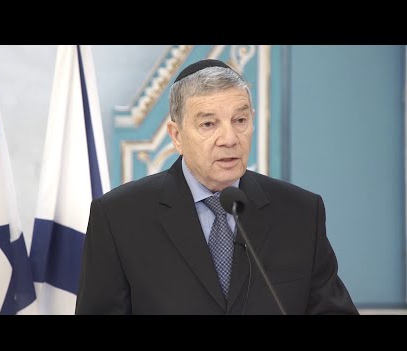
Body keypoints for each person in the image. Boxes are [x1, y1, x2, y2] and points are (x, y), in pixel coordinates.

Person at [75, 59, 358, 315]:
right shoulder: (118, 217)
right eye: (209, 124)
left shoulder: (300, 213)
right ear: (176, 136)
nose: (229, 138)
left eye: (240, 120)